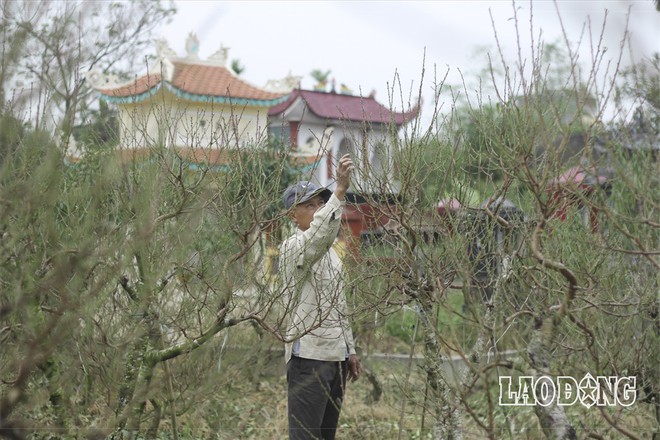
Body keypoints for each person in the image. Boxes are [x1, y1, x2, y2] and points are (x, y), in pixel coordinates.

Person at [279, 154, 362, 440]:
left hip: (335, 359)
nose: (318, 210)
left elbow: (340, 306)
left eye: (321, 204)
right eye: (309, 205)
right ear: (292, 215)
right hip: (309, 359)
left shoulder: (333, 257)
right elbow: (317, 238)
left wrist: (349, 349)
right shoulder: (293, 248)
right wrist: (338, 191)